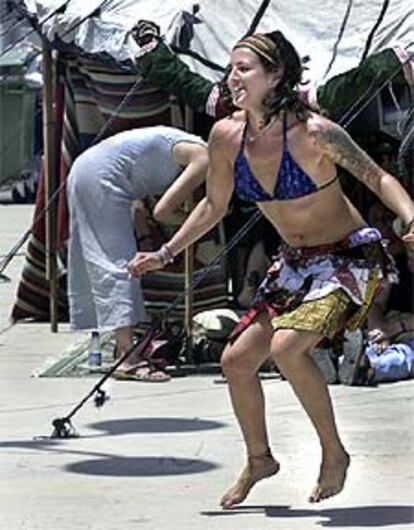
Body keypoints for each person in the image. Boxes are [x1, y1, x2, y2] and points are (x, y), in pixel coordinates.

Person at [127, 31, 414, 505]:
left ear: (276, 75)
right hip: (295, 266)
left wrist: (410, 215)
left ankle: (333, 453)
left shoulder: (315, 133)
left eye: (244, 68)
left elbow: (377, 177)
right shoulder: (226, 137)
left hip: (347, 257)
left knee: (287, 348)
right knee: (236, 362)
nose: (232, 77)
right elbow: (214, 206)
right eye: (231, 68)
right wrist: (165, 252)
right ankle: (260, 458)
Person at [67, 125, 208, 380]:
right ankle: (127, 358)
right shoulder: (205, 158)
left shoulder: (190, 143)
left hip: (91, 168)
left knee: (112, 259)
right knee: (119, 264)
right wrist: (199, 221)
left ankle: (125, 350)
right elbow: (163, 212)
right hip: (101, 177)